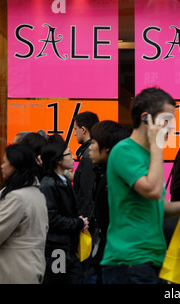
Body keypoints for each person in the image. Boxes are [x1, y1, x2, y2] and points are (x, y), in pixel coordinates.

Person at [100, 87, 180, 284]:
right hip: (129, 261)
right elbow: (153, 191)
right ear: (146, 119)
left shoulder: (149, 156)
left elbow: (162, 208)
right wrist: (157, 146)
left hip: (152, 260)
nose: (171, 126)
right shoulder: (124, 151)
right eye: (167, 120)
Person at [0, 144, 48, 283]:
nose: (2, 166)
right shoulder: (37, 194)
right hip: (33, 265)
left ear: (16, 166)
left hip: (13, 269)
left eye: (5, 162)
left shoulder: (17, 197)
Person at [39, 137, 89, 284]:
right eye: (69, 154)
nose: (72, 157)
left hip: (67, 247)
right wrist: (78, 223)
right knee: (58, 280)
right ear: (58, 160)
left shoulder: (64, 180)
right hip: (57, 249)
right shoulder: (48, 184)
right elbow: (52, 219)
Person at [87, 120, 129, 283]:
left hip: (115, 256)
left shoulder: (115, 178)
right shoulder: (101, 174)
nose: (90, 147)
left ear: (107, 148)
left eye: (94, 143)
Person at [72, 111, 99, 220]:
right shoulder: (93, 151)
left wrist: (82, 218)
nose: (74, 133)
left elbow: (86, 192)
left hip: (88, 219)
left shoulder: (89, 154)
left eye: (75, 129)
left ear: (83, 130)